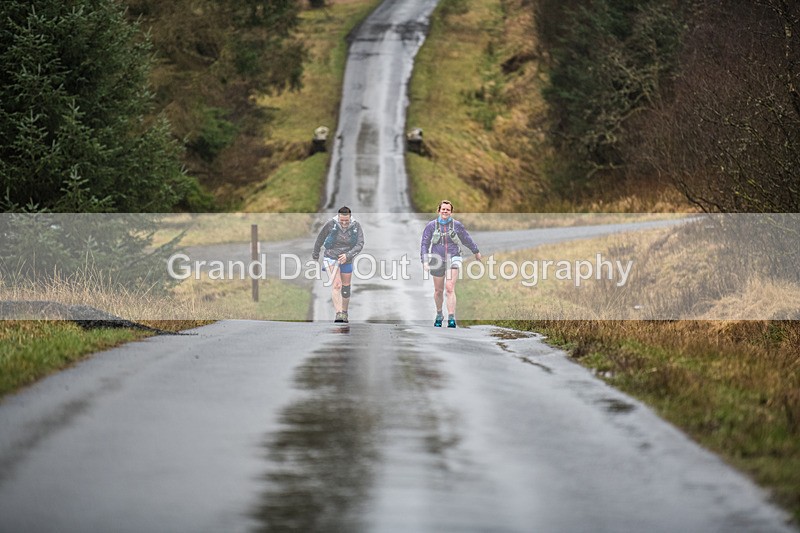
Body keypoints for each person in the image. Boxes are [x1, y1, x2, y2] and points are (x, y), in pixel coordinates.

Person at [420, 200, 482, 328]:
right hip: (436, 259)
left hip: (453, 257)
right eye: (443, 209)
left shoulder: (457, 225)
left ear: (451, 212)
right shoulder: (431, 226)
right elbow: (424, 244)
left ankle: (451, 317)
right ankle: (439, 314)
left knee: (449, 288)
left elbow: (466, 239)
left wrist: (476, 251)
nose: (445, 211)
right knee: (438, 290)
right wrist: (425, 261)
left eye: (448, 210)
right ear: (439, 211)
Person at [312, 206, 365, 323]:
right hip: (331, 257)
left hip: (346, 258)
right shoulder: (331, 224)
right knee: (336, 285)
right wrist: (315, 255)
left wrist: (348, 255)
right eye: (342, 220)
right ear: (338, 217)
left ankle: (345, 312)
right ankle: (339, 314)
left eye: (346, 220)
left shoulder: (356, 226)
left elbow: (360, 244)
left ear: (350, 217)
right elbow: (320, 239)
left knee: (346, 289)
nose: (344, 223)